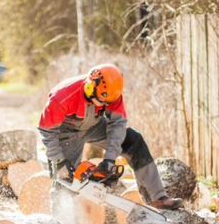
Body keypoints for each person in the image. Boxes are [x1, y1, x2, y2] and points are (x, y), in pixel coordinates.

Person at [38, 63, 181, 209]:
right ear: (90, 87)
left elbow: (118, 125)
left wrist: (110, 159)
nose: (105, 104)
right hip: (65, 133)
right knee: (65, 179)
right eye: (102, 101)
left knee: (134, 141)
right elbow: (47, 131)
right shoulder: (62, 96)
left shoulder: (112, 93)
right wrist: (59, 160)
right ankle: (60, 221)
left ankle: (156, 197)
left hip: (94, 125)